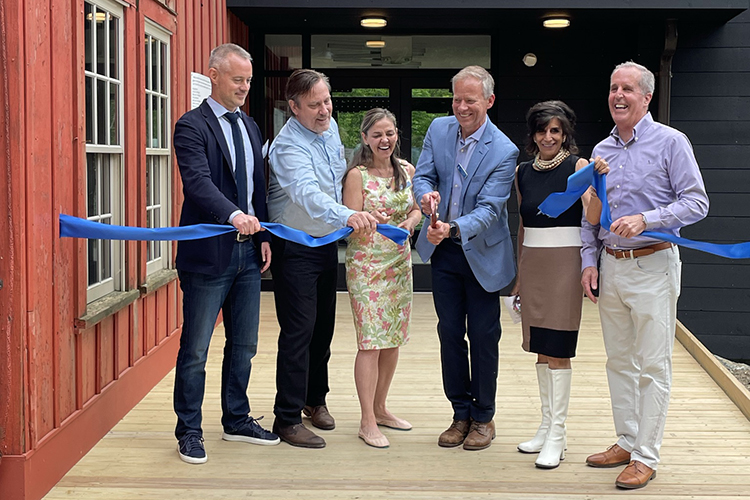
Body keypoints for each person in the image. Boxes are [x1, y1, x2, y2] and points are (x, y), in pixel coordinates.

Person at [581, 61, 709, 489]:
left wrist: (647, 218)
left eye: (628, 89)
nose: (618, 95)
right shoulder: (602, 150)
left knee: (653, 365)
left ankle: (646, 456)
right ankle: (627, 439)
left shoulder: (672, 142)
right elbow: (591, 216)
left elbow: (696, 202)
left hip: (654, 264)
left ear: (646, 97)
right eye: (614, 88)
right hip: (611, 266)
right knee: (618, 361)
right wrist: (588, 261)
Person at [172, 43, 279, 464]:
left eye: (249, 80)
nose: (245, 88)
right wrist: (233, 215)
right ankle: (189, 431)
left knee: (244, 345)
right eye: (238, 80)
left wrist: (264, 233)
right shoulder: (190, 126)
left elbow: (257, 185)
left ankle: (236, 419)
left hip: (249, 254)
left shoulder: (250, 125)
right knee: (196, 348)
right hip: (208, 256)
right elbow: (197, 182)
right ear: (214, 75)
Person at [268, 69, 379, 448]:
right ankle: (286, 417)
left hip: (325, 244)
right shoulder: (287, 147)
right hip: (295, 246)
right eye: (314, 105)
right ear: (294, 108)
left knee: (323, 330)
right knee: (298, 331)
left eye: (326, 101)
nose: (323, 111)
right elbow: (307, 193)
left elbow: (341, 176)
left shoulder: (329, 129)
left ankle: (314, 401)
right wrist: (347, 215)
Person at [413, 65, 518, 451]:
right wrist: (424, 197)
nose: (461, 107)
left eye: (469, 100)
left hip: (482, 255)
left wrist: (453, 227)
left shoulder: (505, 150)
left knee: (484, 336)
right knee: (449, 333)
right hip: (443, 252)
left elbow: (490, 210)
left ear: (489, 101)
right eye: (456, 99)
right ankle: (460, 414)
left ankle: (484, 417)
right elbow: (421, 176)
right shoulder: (439, 129)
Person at [512, 101, 608, 469]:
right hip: (533, 264)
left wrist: (598, 184)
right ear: (533, 134)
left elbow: (593, 216)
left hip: (565, 264)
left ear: (566, 132)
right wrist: (520, 276)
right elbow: (523, 225)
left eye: (555, 130)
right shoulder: (522, 172)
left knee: (558, 348)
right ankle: (545, 425)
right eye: (541, 130)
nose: (548, 137)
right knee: (539, 347)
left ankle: (559, 434)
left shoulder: (577, 167)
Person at [342, 108, 422, 449]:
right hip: (367, 264)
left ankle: (381, 407)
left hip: (399, 263)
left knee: (392, 339)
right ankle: (366, 420)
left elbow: (418, 208)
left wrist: (411, 222)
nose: (384, 140)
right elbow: (347, 219)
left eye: (389, 133)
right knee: (370, 342)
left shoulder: (407, 170)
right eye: (377, 135)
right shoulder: (357, 176)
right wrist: (365, 216)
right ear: (365, 139)